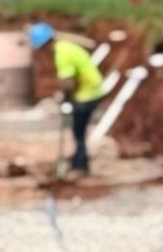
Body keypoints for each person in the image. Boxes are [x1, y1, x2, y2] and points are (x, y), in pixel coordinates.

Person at [29, 22, 106, 173]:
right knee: (78, 130)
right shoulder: (66, 46)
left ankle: (81, 165)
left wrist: (65, 97)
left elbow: (68, 81)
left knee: (78, 131)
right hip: (92, 90)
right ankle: (79, 160)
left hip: (87, 93)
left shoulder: (61, 53)